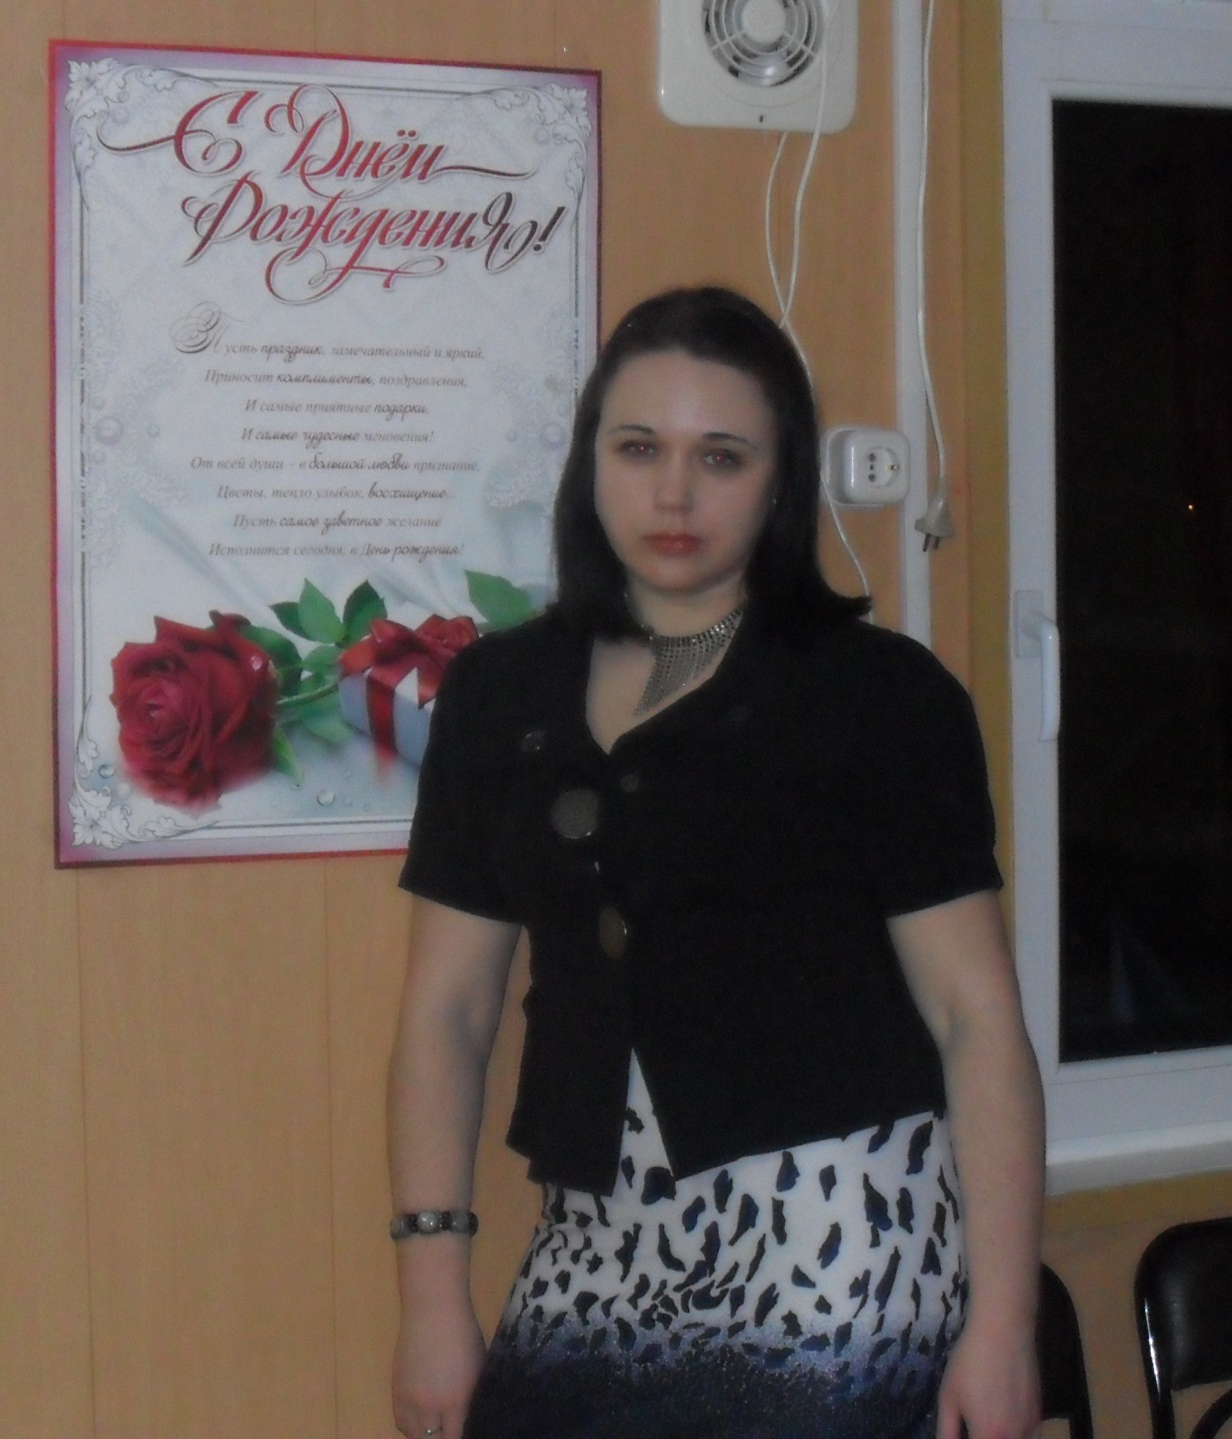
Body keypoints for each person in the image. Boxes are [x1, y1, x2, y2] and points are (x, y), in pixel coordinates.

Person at [387, 286, 1044, 1439]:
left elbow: (975, 1015)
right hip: (593, 1236)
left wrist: (1003, 1322)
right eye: (639, 447)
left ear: (780, 480)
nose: (674, 493)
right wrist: (431, 1294)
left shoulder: (880, 695)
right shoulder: (498, 692)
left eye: (721, 456)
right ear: (589, 462)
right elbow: (448, 1010)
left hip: (839, 1238)